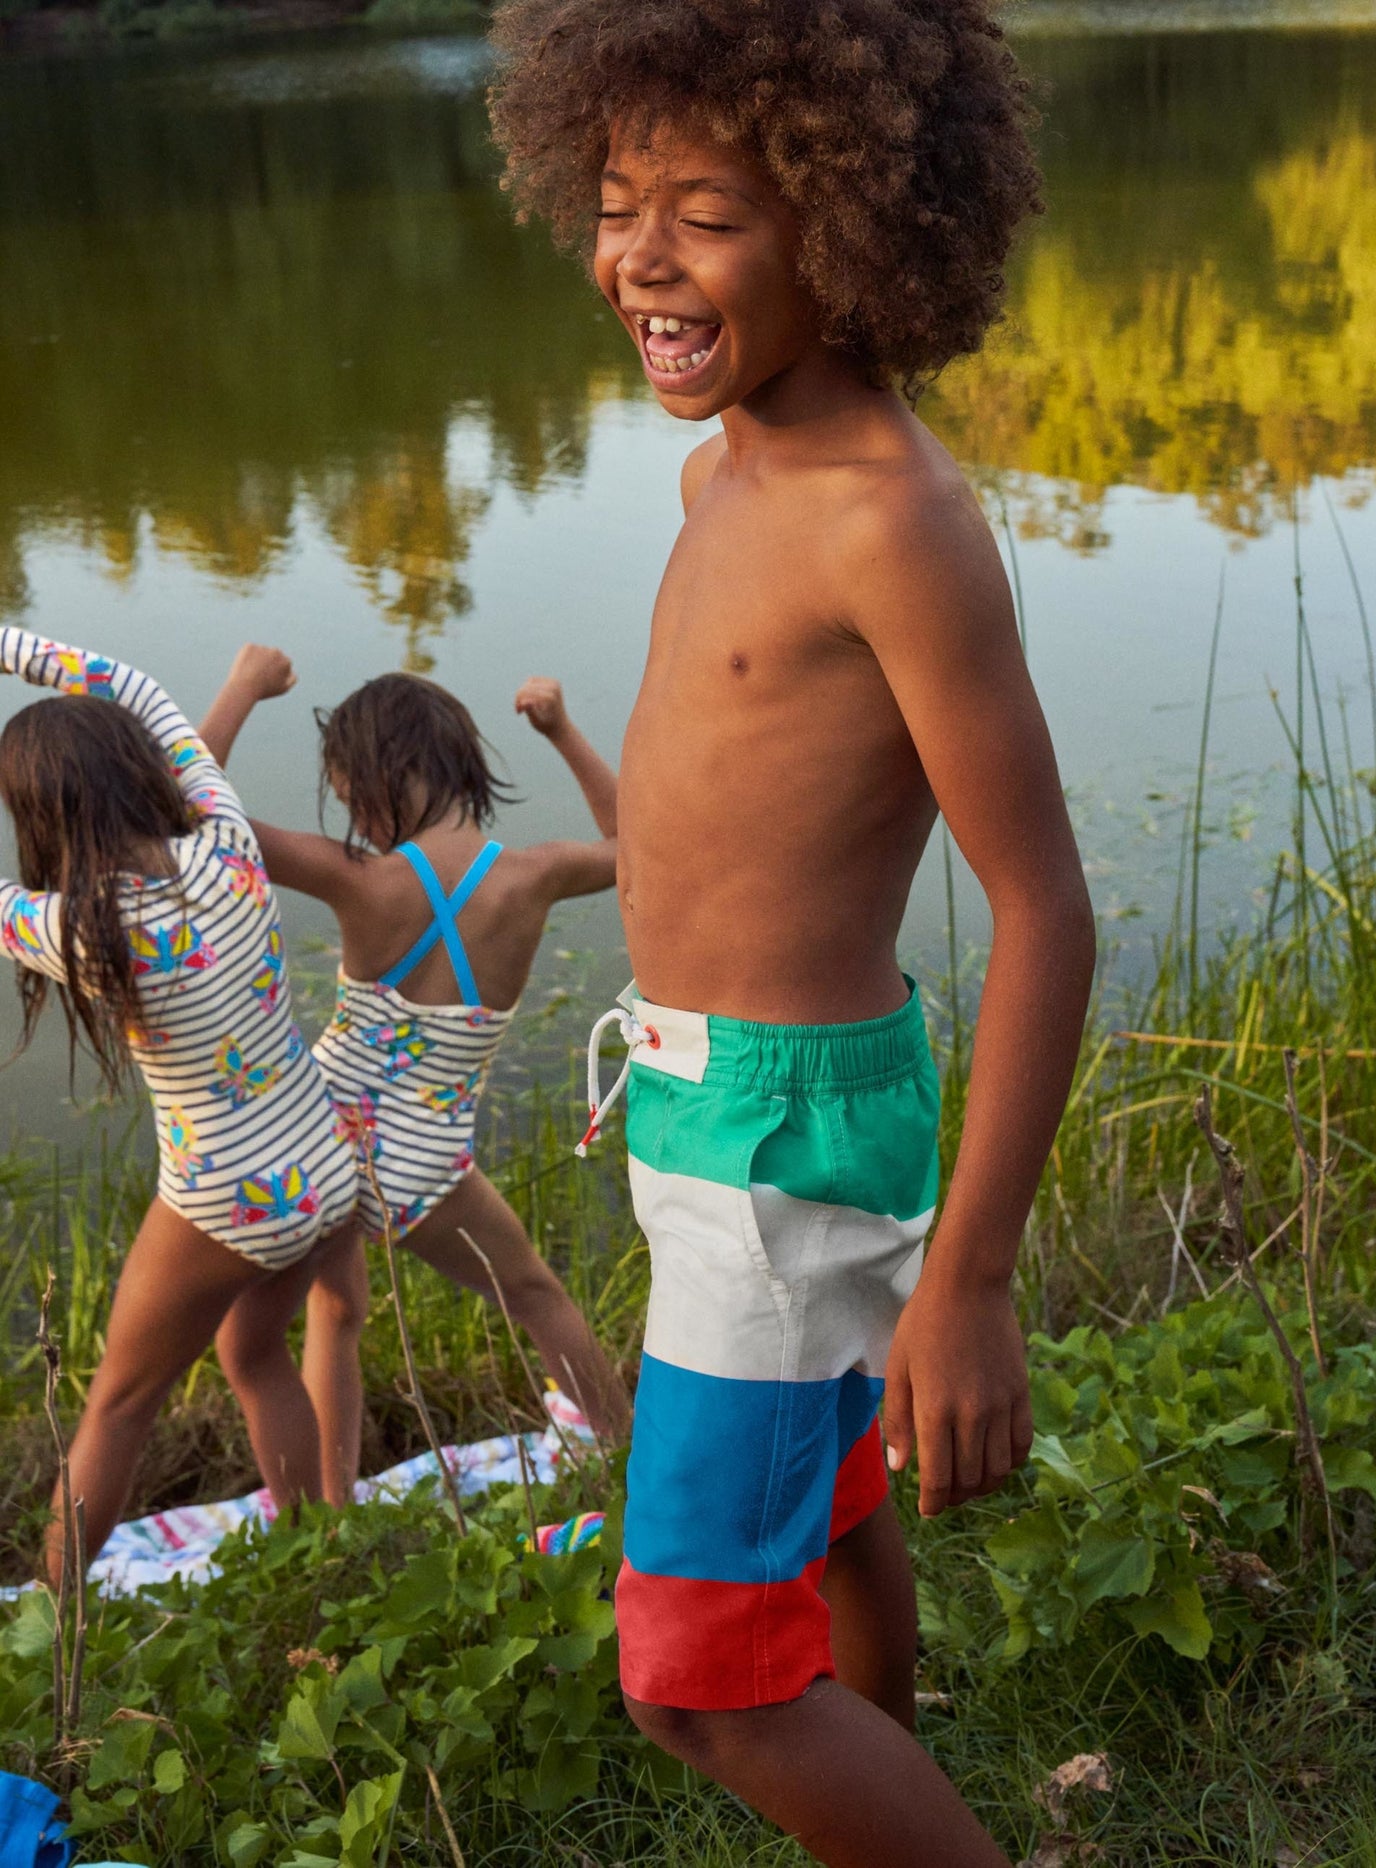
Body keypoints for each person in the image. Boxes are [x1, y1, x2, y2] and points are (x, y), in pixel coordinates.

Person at [489, 4, 1096, 1865]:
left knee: (699, 1674)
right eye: (612, 201)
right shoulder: (720, 467)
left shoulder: (890, 519)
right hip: (719, 1105)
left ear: (851, 225)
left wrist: (971, 1279)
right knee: (829, 1515)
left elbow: (1045, 904)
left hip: (778, 1146)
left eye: (707, 215)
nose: (638, 260)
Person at [203, 654, 632, 1504]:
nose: (353, 811)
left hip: (314, 1134)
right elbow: (639, 848)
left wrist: (242, 689)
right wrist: (560, 730)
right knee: (537, 1297)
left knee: (335, 1313)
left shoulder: (356, 877)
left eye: (348, 786)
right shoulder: (531, 876)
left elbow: (190, 816)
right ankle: (630, 1470)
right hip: (423, 1162)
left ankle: (329, 1515)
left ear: (380, 775)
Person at [0, 631, 357, 1586]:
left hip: (227, 1198)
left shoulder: (79, 930)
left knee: (119, 1401)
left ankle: (55, 1624)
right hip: (321, 1164)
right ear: (137, 769)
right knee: (254, 1353)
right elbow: (137, 686)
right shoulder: (227, 844)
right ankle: (329, 1569)